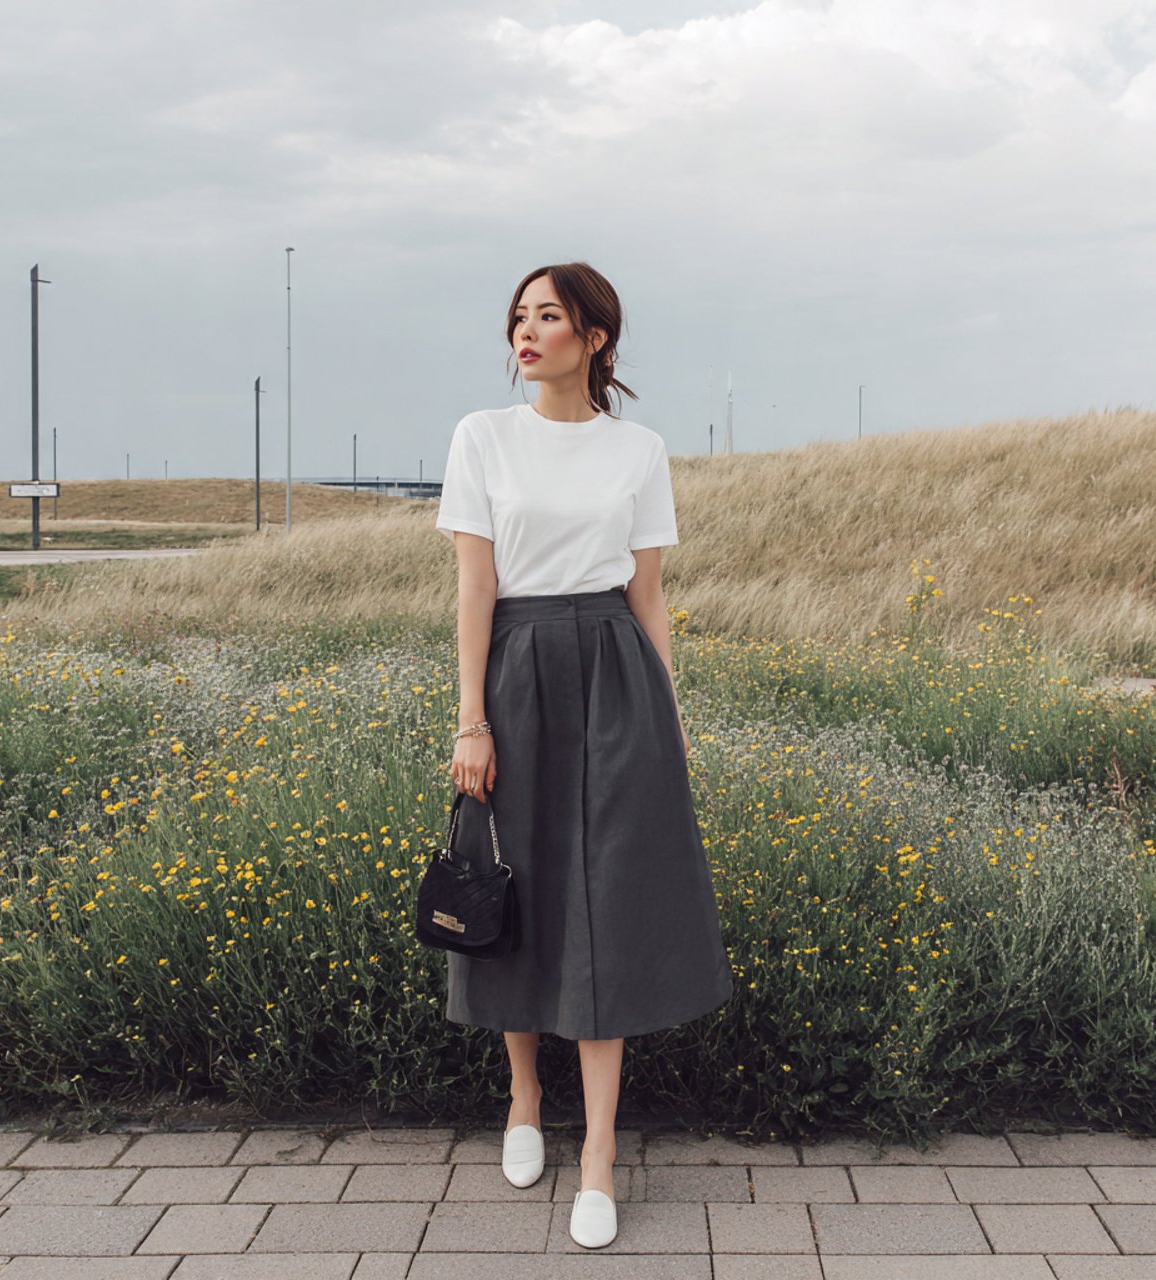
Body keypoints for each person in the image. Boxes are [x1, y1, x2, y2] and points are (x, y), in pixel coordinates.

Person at [434, 260, 733, 1249]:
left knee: (603, 897)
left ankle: (599, 1151)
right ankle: (523, 1099)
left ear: (594, 336)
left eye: (548, 316)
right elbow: (474, 589)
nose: (526, 333)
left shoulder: (638, 450)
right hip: (515, 670)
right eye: (518, 317)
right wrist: (470, 718)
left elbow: (645, 594)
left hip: (614, 673)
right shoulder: (482, 436)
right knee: (520, 882)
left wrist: (671, 718)